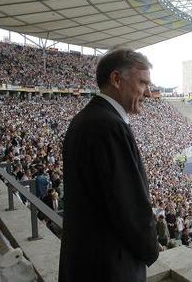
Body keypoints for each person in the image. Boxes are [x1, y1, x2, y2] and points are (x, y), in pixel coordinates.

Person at [59, 49, 159, 282]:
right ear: (116, 79)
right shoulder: (108, 126)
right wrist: (151, 249)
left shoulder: (88, 118)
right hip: (109, 266)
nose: (148, 93)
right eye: (142, 83)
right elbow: (128, 202)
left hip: (87, 259)